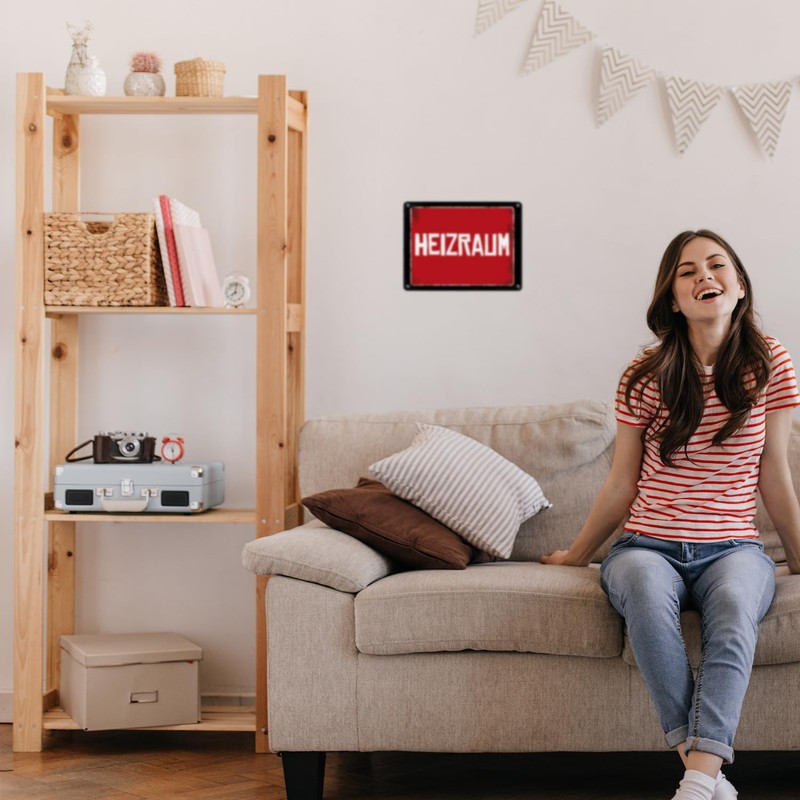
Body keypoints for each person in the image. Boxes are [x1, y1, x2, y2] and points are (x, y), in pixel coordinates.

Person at [541, 230, 800, 800]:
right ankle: (705, 774)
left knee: (735, 607)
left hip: (733, 548)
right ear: (672, 298)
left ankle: (697, 780)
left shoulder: (770, 362)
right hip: (645, 545)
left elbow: (773, 473)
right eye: (687, 271)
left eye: (716, 265)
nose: (704, 276)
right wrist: (578, 555)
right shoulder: (645, 372)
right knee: (641, 591)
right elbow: (621, 482)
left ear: (739, 287)